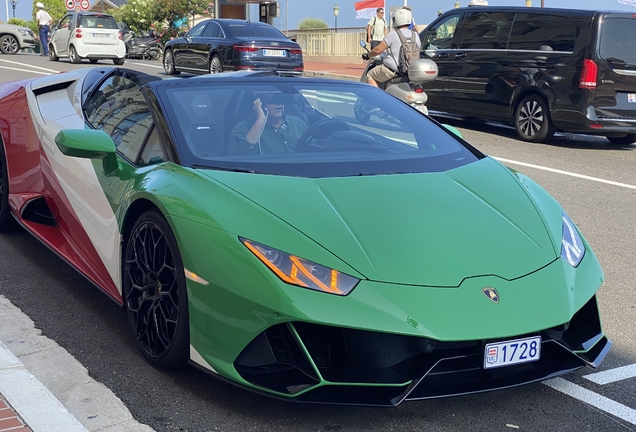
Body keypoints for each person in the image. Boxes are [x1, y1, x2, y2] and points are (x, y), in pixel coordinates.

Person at [228, 93, 307, 156]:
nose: (278, 104)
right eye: (273, 99)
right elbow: (237, 156)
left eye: (281, 99)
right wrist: (260, 121)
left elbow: (313, 147)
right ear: (259, 104)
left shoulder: (298, 123)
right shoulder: (243, 128)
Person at [362, 8, 421, 88]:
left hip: (392, 71)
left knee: (370, 75)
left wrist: (368, 55)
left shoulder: (393, 34)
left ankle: (376, 99)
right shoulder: (415, 35)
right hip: (409, 71)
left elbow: (377, 50)